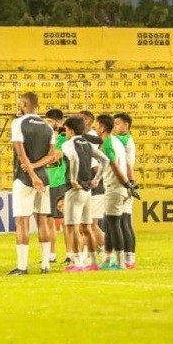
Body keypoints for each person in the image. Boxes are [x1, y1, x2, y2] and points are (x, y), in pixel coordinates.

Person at [9, 92, 55, 275]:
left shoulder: (18, 123)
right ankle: (45, 265)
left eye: (21, 103)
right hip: (44, 179)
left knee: (22, 221)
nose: (20, 105)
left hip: (24, 178)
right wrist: (37, 169)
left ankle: (22, 266)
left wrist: (31, 173)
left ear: (25, 104)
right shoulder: (47, 127)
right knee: (43, 220)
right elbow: (51, 156)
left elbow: (20, 153)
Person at [59, 116, 109, 272]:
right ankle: (93, 261)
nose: (66, 133)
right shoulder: (88, 144)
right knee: (87, 227)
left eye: (66, 130)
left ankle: (77, 262)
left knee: (73, 227)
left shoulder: (68, 144)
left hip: (75, 190)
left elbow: (73, 159)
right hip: (88, 190)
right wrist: (96, 179)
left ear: (71, 130)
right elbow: (105, 160)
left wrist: (73, 179)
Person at [95, 114, 139, 270]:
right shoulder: (117, 142)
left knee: (114, 226)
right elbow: (127, 164)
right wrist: (130, 184)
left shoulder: (107, 144)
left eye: (97, 125)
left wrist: (127, 184)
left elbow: (115, 167)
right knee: (109, 223)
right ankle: (107, 260)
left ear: (102, 127)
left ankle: (120, 262)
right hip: (121, 187)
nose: (95, 127)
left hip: (115, 187)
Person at [113, 113, 138, 269]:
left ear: (126, 125)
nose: (115, 127)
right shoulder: (126, 140)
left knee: (123, 222)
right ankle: (129, 258)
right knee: (125, 222)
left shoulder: (124, 140)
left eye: (117, 124)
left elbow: (128, 165)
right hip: (128, 182)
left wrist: (129, 184)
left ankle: (126, 257)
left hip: (124, 183)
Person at [44, 109, 67, 265]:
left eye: (49, 121)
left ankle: (71, 253)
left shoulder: (63, 139)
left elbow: (54, 158)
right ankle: (51, 254)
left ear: (58, 123)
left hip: (59, 182)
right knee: (48, 220)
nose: (46, 124)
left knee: (66, 221)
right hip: (47, 182)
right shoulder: (48, 139)